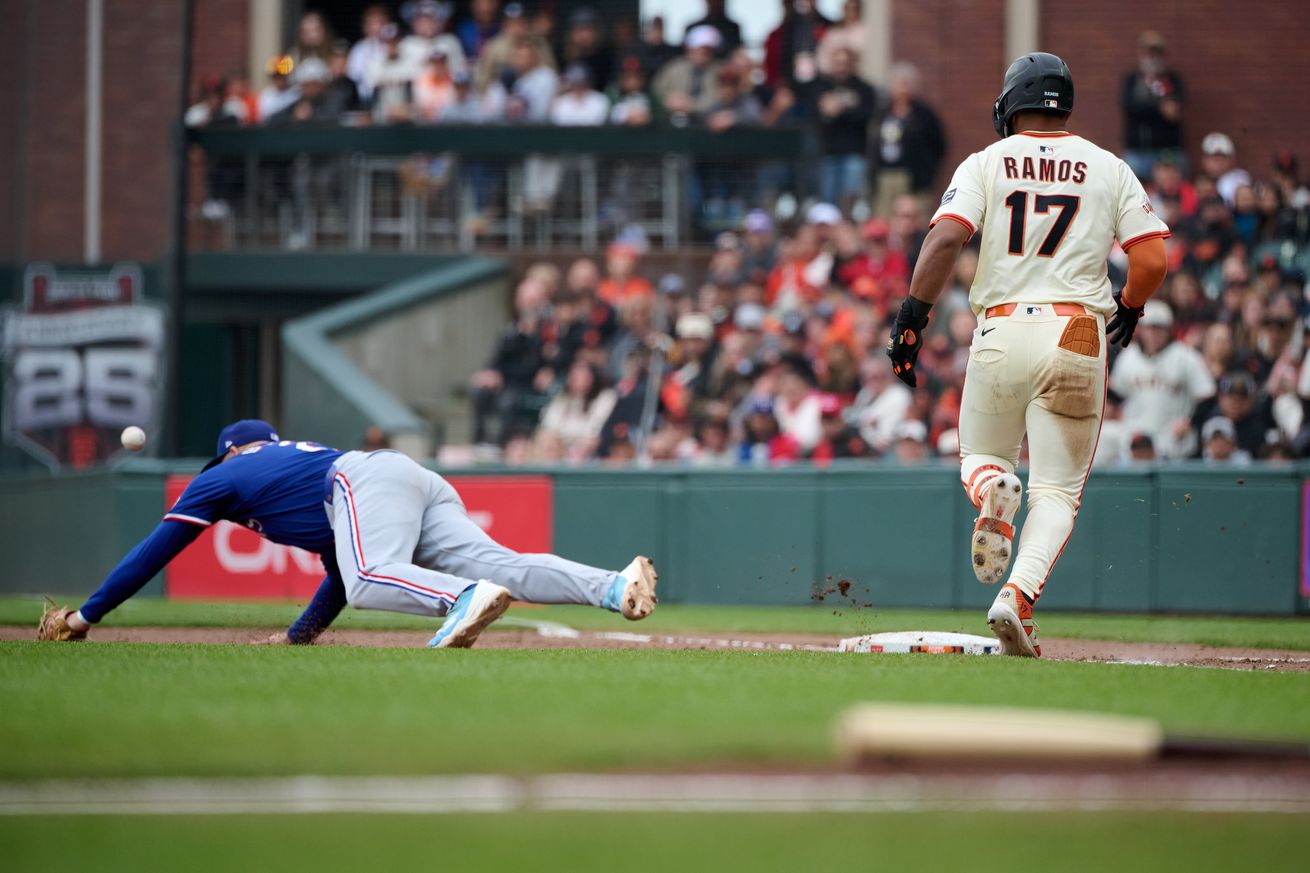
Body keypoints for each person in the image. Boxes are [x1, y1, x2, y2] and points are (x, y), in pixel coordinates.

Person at [886, 53, 1170, 657]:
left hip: (1002, 330)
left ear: (1011, 103)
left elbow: (943, 239)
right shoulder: (1108, 166)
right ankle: (1016, 597)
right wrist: (1132, 304)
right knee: (1057, 493)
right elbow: (1151, 261)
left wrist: (911, 321)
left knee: (979, 456)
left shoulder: (987, 162)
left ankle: (993, 486)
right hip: (1077, 332)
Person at [44, 421, 658, 648]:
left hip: (361, 480)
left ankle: (460, 598)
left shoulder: (224, 475)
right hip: (403, 478)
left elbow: (155, 551)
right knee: (504, 565)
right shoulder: (288, 465)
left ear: (229, 453)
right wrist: (300, 636)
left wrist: (87, 616)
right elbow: (337, 570)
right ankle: (612, 586)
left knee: (375, 580)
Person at [1109, 300, 1215, 458]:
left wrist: (1190, 421)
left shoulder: (1185, 356)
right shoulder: (1128, 357)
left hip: (1173, 443)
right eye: (1150, 328)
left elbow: (1207, 395)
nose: (1154, 334)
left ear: (1169, 330)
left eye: (1159, 328)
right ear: (1142, 329)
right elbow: (1117, 394)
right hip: (1136, 442)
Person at [871, 62, 946, 218]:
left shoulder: (924, 115)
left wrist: (928, 173)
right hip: (886, 177)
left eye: (906, 84)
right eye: (898, 84)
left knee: (913, 219)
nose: (902, 89)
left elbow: (939, 145)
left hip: (915, 179)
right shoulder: (883, 113)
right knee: (885, 218)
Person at [814, 47, 876, 211]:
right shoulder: (822, 87)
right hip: (829, 154)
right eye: (838, 63)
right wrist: (828, 111)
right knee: (827, 205)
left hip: (854, 154)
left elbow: (867, 115)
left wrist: (841, 109)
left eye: (845, 63)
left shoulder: (864, 89)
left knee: (850, 202)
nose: (841, 67)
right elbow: (815, 117)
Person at [1120, 31, 1185, 180]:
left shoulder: (1173, 80)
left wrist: (1146, 107)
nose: (1153, 58)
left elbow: (1175, 110)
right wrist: (1158, 108)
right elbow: (1129, 107)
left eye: (1157, 53)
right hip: (1137, 151)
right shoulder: (1132, 80)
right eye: (1149, 53)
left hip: (1167, 151)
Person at [651, 25, 723, 126]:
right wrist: (669, 100)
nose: (703, 53)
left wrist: (692, 105)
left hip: (707, 125)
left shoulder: (721, 70)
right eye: (700, 48)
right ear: (689, 48)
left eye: (708, 50)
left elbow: (721, 97)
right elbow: (657, 91)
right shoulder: (674, 67)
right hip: (672, 123)